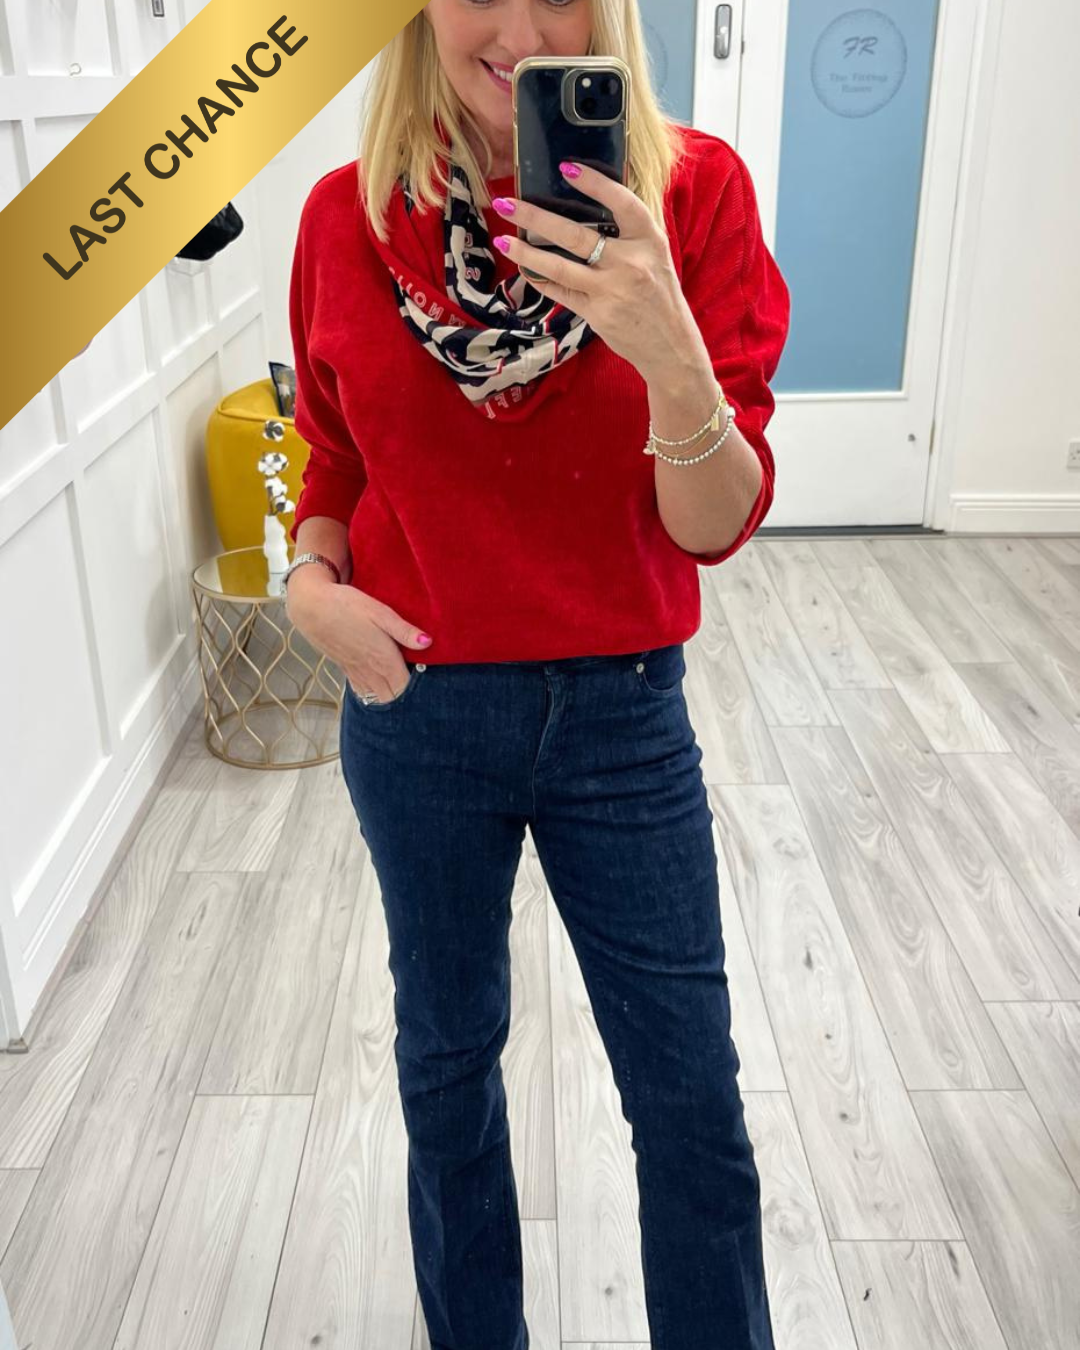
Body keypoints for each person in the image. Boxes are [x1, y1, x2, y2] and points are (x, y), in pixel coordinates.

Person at [283, 3, 790, 1347]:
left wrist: (668, 346)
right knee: (447, 1071)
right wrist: (310, 585)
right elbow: (330, 450)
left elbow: (713, 524)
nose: (517, 28)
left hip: (622, 714)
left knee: (689, 1099)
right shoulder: (348, 216)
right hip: (419, 711)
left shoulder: (697, 199)